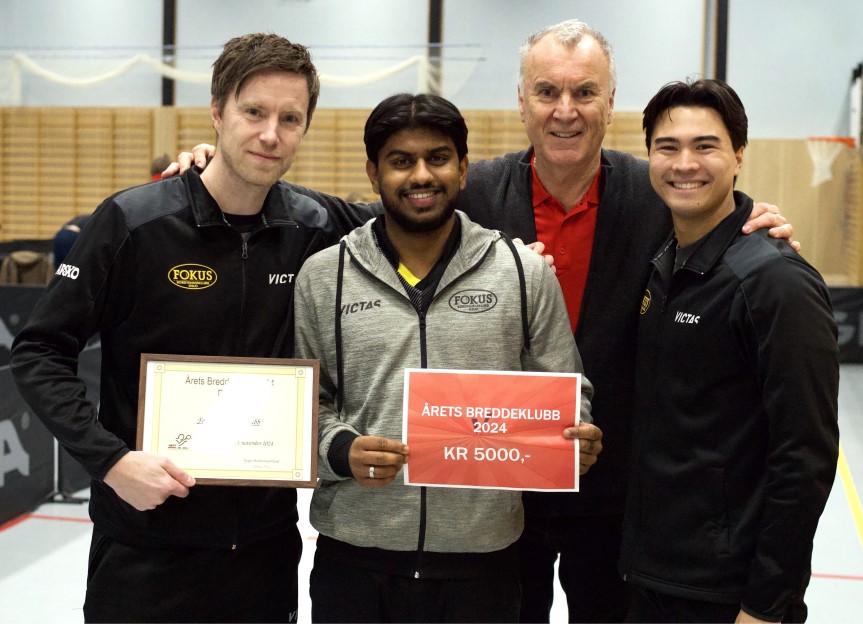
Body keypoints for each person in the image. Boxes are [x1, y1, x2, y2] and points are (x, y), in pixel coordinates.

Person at [172, 18, 796, 622]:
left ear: (611, 103)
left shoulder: (659, 193)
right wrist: (223, 168)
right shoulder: (470, 188)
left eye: (585, 92)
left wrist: (748, 218)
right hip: (490, 496)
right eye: (547, 91)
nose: (565, 110)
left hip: (614, 493)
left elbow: (711, 214)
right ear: (522, 102)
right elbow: (354, 210)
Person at [10, 33, 372, 623]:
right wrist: (111, 461)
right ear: (216, 110)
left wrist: (511, 242)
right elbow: (38, 352)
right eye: (253, 112)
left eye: (290, 118)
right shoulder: (132, 222)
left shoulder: (315, 225)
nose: (271, 134)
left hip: (264, 551)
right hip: (144, 550)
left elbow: (422, 208)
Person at [293, 92, 600, 623]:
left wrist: (575, 434)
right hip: (356, 559)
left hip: (483, 564)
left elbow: (568, 391)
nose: (420, 175)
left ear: (462, 169)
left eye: (437, 158)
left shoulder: (521, 272)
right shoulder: (324, 276)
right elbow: (302, 404)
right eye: (400, 160)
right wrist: (340, 451)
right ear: (373, 172)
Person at [619, 79, 839, 623]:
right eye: (667, 147)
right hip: (653, 577)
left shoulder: (775, 281)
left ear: (738, 155)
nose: (684, 163)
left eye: (706, 146)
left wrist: (766, 605)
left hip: (728, 596)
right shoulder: (662, 265)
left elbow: (805, 457)